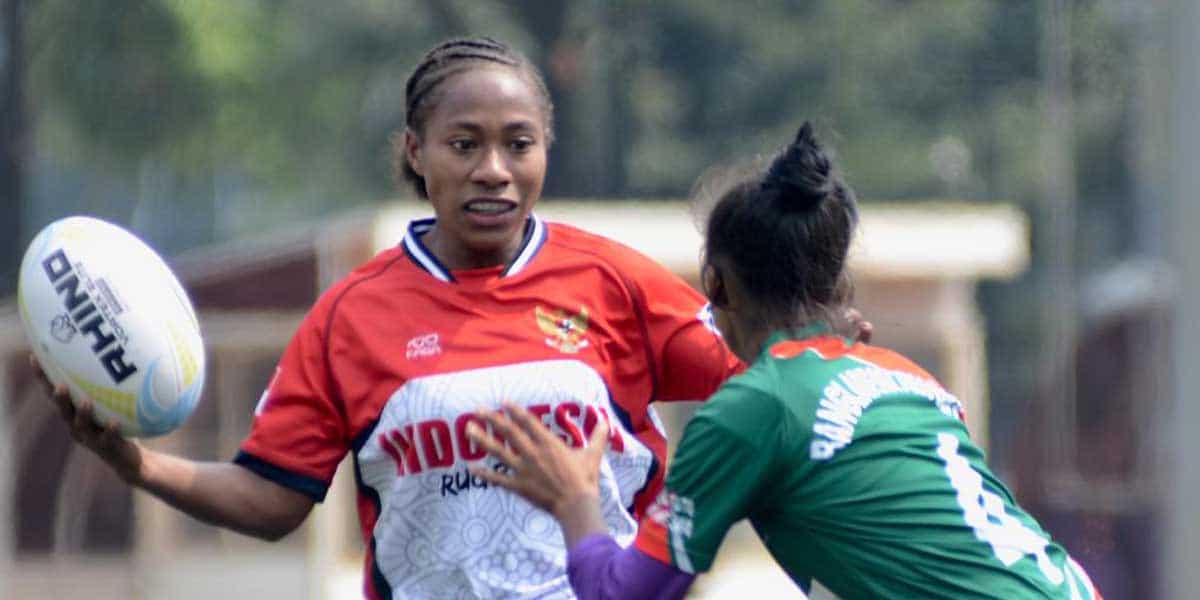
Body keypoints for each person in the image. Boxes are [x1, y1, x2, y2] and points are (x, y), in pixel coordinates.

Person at [34, 36, 750, 599]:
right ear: (417, 151)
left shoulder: (613, 281)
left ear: (544, 151)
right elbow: (275, 497)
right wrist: (137, 464)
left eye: (519, 143)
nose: (494, 168)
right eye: (464, 144)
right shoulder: (351, 317)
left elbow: (759, 386)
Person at [465, 123, 1104, 599]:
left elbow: (624, 595)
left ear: (715, 285)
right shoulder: (909, 379)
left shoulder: (752, 408)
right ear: (839, 286)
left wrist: (576, 499)